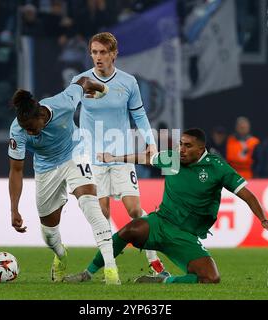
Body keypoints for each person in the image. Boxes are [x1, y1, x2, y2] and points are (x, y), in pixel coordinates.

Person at [64, 129, 268, 284]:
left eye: (188, 146)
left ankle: (164, 280)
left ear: (201, 148)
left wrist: (263, 219)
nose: (182, 149)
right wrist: (115, 157)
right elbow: (146, 158)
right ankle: (88, 273)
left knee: (211, 278)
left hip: (185, 235)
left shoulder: (218, 168)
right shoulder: (173, 159)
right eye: (180, 144)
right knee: (130, 230)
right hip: (160, 223)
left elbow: (248, 195)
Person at [71, 32, 167, 275]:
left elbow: (139, 115)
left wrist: (150, 143)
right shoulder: (81, 81)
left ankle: (155, 263)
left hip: (121, 156)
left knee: (135, 210)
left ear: (114, 54)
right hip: (93, 159)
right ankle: (108, 268)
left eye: (103, 52)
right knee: (102, 214)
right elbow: (64, 109)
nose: (98, 57)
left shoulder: (128, 82)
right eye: (94, 52)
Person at [8, 76, 120, 284]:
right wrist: (14, 208)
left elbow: (84, 81)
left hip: (75, 153)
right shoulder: (18, 130)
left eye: (32, 128)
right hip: (45, 169)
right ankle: (60, 255)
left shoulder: (64, 102)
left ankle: (111, 269)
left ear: (42, 114)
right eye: (25, 129)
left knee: (89, 204)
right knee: (49, 234)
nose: (29, 132)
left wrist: (102, 89)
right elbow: (16, 170)